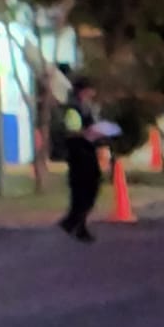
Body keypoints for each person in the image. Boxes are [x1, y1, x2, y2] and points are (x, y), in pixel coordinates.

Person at [58, 77, 108, 243]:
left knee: (91, 189)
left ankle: (73, 222)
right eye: (89, 90)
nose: (92, 93)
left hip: (88, 154)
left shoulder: (88, 108)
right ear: (82, 91)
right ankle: (76, 224)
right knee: (82, 191)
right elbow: (73, 132)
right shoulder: (73, 109)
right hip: (78, 156)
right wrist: (91, 132)